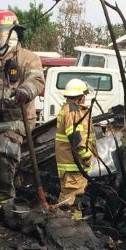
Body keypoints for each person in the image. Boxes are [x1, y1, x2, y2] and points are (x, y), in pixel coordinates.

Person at [0, 9, 45, 214]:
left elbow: (37, 80)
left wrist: (26, 90)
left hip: (17, 120)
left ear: (12, 32)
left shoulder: (28, 58)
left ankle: (6, 205)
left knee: (3, 153)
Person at [54, 78, 96, 217]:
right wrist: (87, 157)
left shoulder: (71, 109)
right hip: (73, 164)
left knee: (75, 198)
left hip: (72, 164)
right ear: (80, 97)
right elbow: (76, 138)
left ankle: (74, 223)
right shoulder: (72, 111)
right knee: (69, 199)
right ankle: (65, 224)